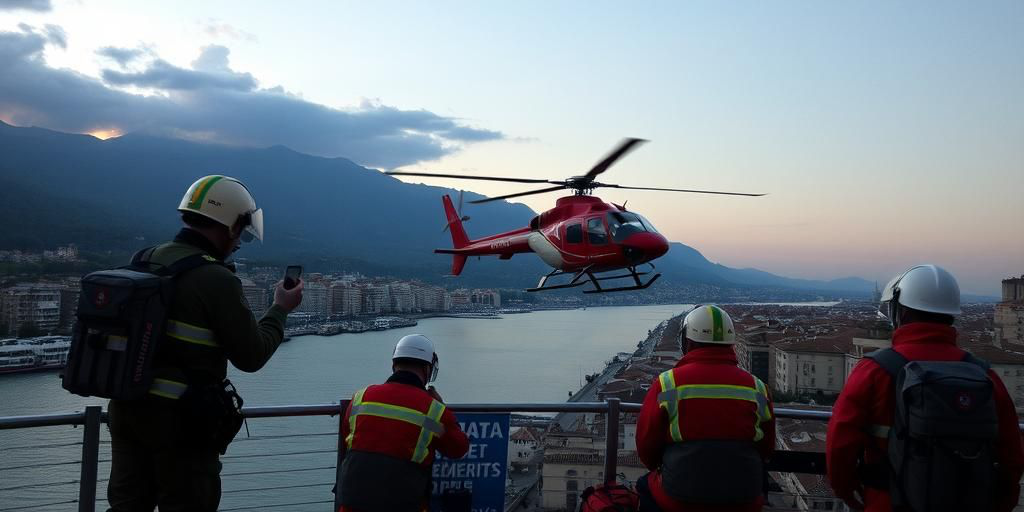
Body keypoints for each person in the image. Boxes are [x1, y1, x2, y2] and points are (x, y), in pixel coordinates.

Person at [106, 175, 304, 512]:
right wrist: (280, 309)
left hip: (127, 409)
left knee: (127, 506)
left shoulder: (146, 259)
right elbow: (252, 355)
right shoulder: (215, 279)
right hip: (181, 422)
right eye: (240, 231)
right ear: (229, 225)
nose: (240, 241)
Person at [827, 264, 1024, 512]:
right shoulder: (985, 376)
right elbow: (1012, 456)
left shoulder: (874, 371)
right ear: (951, 314)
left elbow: (839, 445)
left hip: (887, 501)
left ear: (901, 312)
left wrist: (846, 490)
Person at [636, 305, 775, 512]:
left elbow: (646, 445)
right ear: (731, 344)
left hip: (680, 496)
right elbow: (766, 447)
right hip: (744, 497)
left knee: (642, 486)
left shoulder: (668, 383)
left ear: (688, 342)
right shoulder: (758, 388)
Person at [337, 334, 469, 512]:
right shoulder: (432, 412)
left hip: (351, 502)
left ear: (394, 365)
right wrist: (442, 408)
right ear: (427, 368)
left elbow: (348, 438)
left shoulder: (361, 397)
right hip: (402, 503)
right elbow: (458, 448)